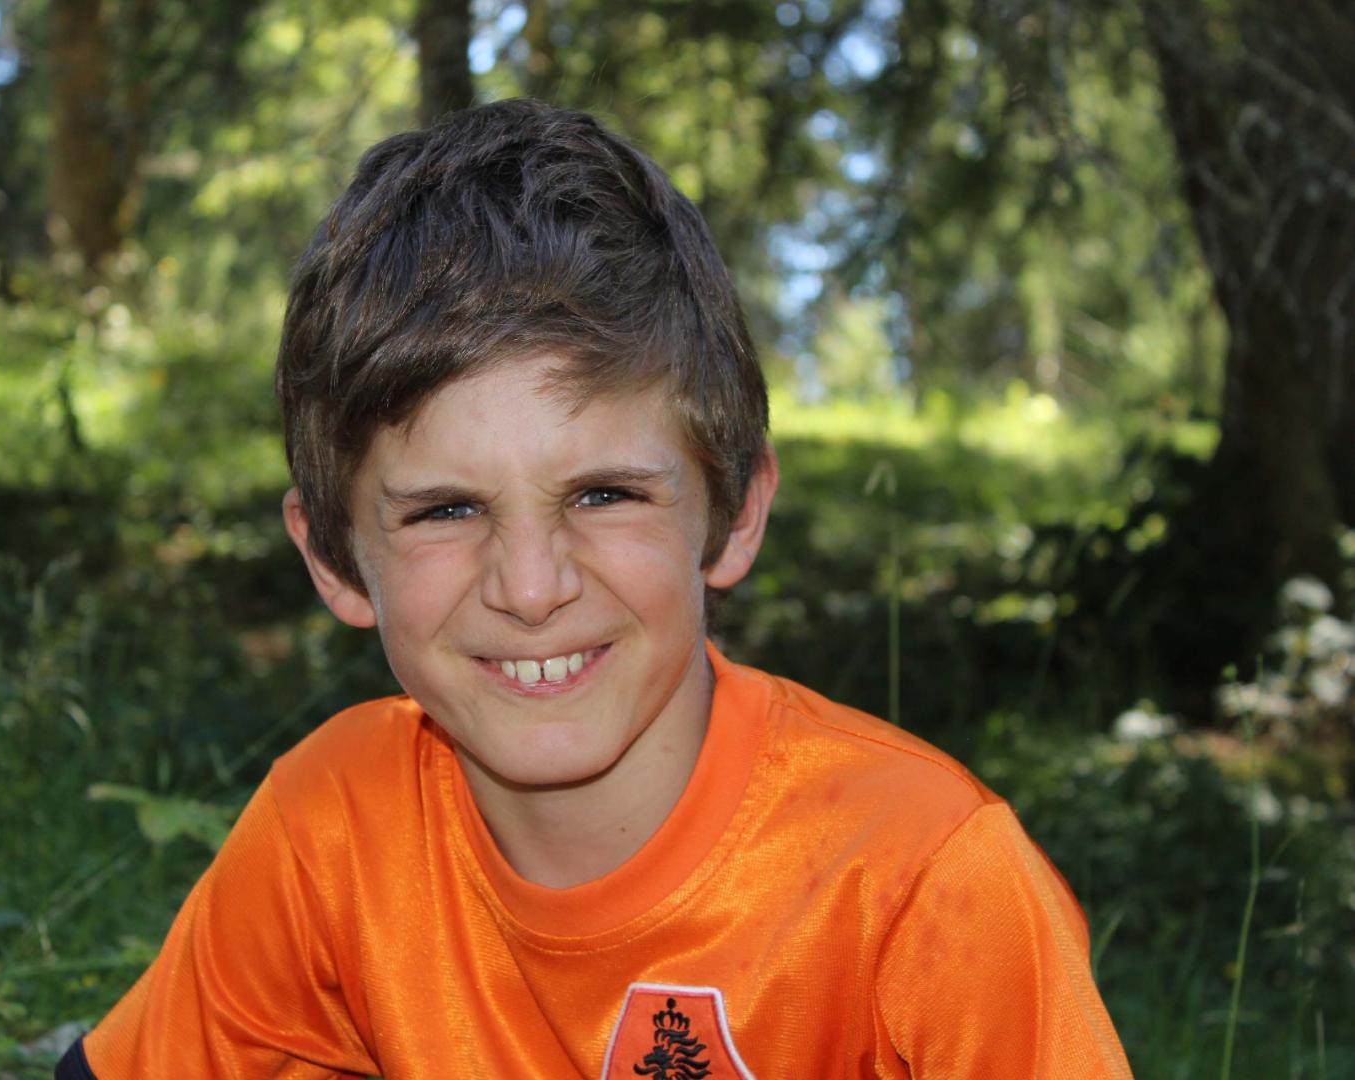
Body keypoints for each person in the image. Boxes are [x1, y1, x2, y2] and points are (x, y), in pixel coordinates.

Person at [56, 99, 1132, 1079]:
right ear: (335, 560)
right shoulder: (330, 830)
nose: (531, 588)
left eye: (605, 494)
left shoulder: (924, 881)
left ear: (734, 513)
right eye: (446, 510)